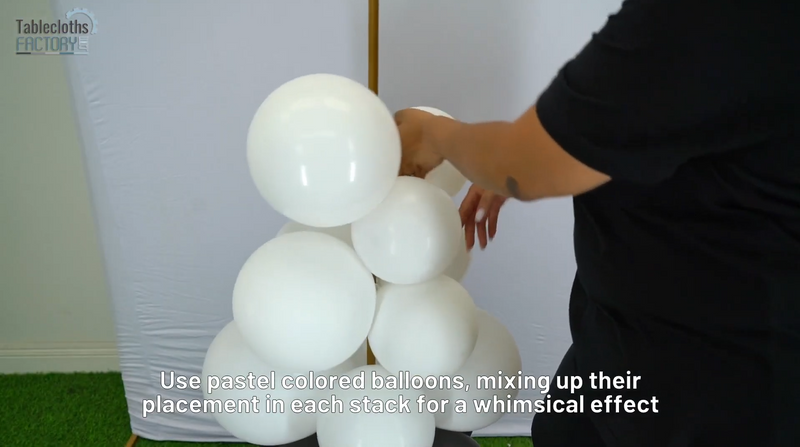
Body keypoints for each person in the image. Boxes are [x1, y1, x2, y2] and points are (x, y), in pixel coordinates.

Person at [394, 0, 799, 446]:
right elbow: (677, 114)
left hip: (709, 384)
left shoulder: (706, 14)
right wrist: (541, 152)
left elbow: (525, 164)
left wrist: (433, 135)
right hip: (629, 344)